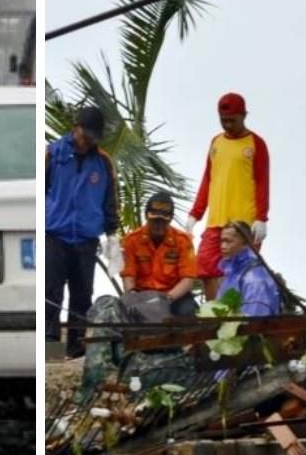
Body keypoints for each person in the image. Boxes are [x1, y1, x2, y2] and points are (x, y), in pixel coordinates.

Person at [45, 105, 120, 358]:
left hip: (86, 239)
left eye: (93, 137)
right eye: (85, 134)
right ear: (75, 128)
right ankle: (50, 350)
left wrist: (112, 234)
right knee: (51, 293)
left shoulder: (102, 162)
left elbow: (110, 199)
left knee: (82, 295)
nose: (88, 141)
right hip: (55, 234)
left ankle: (76, 348)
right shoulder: (53, 154)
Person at [185, 92, 270, 299]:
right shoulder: (216, 142)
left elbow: (262, 182)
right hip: (216, 220)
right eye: (224, 121)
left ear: (244, 116)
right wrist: (195, 213)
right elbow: (208, 178)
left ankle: (236, 316)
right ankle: (214, 313)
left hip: (244, 224)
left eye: (232, 120)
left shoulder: (255, 143)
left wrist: (261, 218)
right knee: (205, 267)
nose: (228, 125)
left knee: (240, 270)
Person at [120, 191, 199, 317]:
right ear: (146, 216)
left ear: (170, 219)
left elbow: (187, 280)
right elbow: (128, 275)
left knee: (188, 312)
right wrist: (132, 296)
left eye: (163, 221)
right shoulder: (131, 240)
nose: (159, 225)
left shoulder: (183, 241)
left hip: (174, 296)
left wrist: (167, 298)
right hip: (142, 296)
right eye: (155, 220)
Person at [216, 220, 280, 317]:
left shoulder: (254, 277)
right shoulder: (232, 273)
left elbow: (255, 322)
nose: (223, 246)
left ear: (245, 243)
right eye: (222, 241)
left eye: (228, 241)